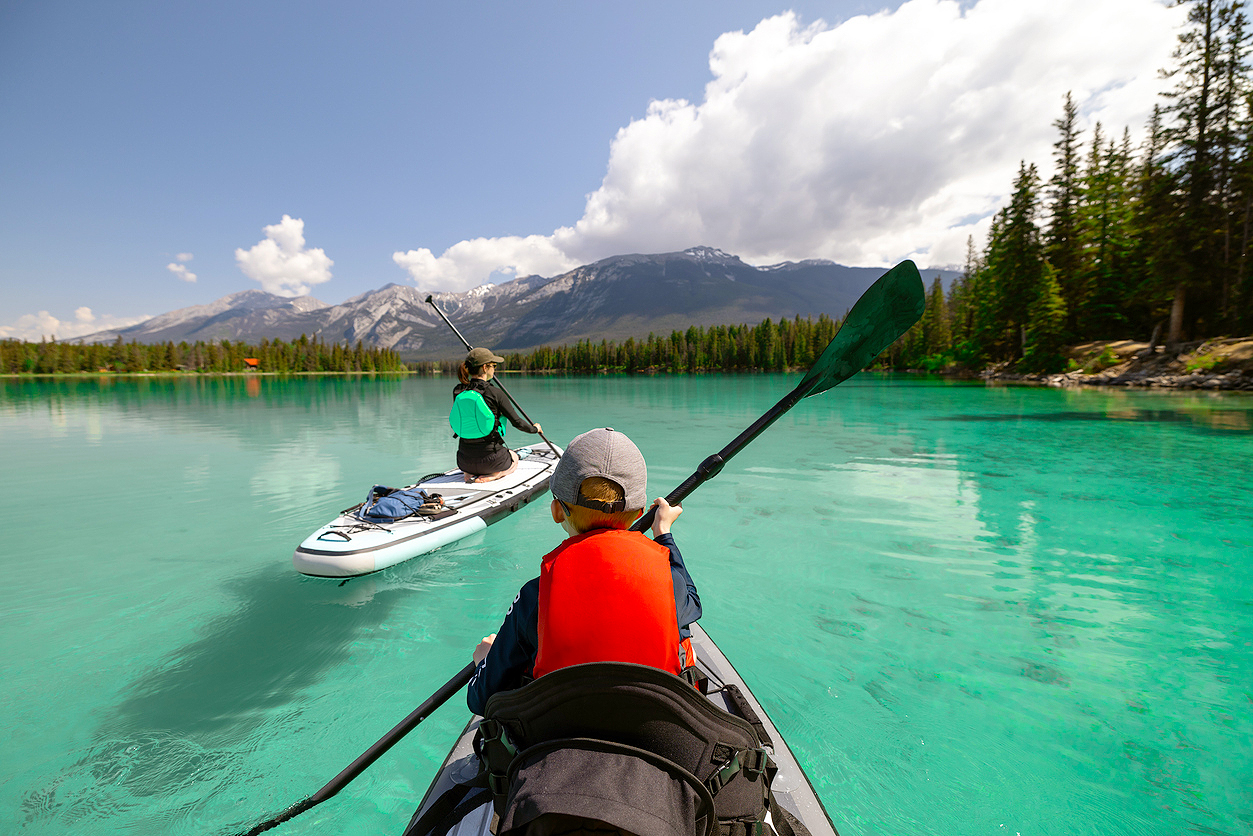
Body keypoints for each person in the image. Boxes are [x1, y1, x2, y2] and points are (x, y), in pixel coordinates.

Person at [467, 427, 701, 715]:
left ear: (556, 511)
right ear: (640, 512)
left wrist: (486, 661)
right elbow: (692, 600)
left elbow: (480, 699)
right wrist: (663, 533)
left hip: (556, 739)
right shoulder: (670, 581)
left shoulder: (534, 596)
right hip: (653, 731)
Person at [452, 347, 543, 483]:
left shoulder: (458, 391)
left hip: (464, 461)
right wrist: (535, 429)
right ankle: (495, 475)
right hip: (491, 461)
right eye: (493, 366)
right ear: (484, 368)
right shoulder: (496, 393)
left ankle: (468, 474)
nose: (494, 369)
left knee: (475, 456)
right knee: (514, 457)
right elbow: (517, 422)